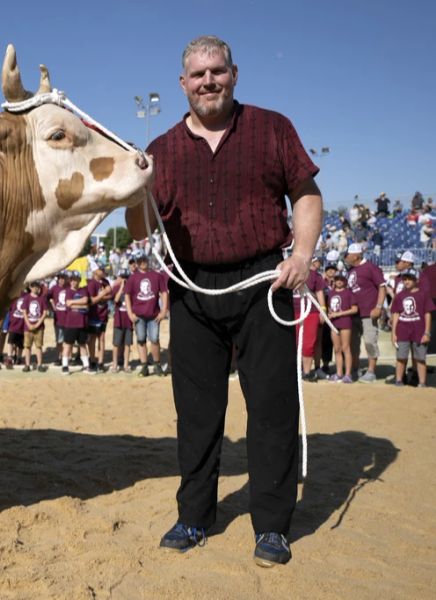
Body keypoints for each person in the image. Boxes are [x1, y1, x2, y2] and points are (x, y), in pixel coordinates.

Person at [126, 35, 323, 567]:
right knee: (195, 413)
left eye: (217, 71)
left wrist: (301, 255)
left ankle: (273, 526)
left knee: (272, 408)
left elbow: (305, 194)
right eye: (197, 74)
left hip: (264, 284)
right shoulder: (162, 149)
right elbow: (140, 225)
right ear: (182, 84)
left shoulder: (273, 127)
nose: (208, 81)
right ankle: (194, 516)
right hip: (191, 290)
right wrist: (134, 189)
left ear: (234, 74)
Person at [344, 243, 387, 382]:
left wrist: (379, 307)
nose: (346, 257)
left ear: (356, 255)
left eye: (348, 255)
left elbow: (382, 287)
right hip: (353, 313)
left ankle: (371, 371)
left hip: (369, 311)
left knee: (370, 341)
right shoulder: (350, 271)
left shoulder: (370, 268)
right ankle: (355, 369)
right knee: (353, 343)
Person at [125, 253, 168, 377]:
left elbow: (164, 292)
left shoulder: (156, 275)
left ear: (147, 260)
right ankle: (144, 366)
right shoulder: (133, 278)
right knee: (141, 340)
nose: (142, 263)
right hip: (139, 316)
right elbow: (127, 295)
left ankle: (157, 365)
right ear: (137, 263)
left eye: (144, 260)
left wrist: (163, 310)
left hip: (154, 315)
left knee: (154, 339)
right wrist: (129, 313)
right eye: (140, 261)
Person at [390, 269, 433, 387]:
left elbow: (427, 313)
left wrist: (427, 332)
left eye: (410, 279)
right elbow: (396, 314)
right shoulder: (399, 296)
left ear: (417, 280)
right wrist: (393, 333)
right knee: (401, 357)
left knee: (420, 358)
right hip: (402, 331)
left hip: (419, 331)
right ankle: (399, 380)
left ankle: (422, 382)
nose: (407, 281)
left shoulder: (423, 294)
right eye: (405, 279)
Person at [293, 259, 327, 381]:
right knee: (295, 343)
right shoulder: (292, 272)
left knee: (308, 343)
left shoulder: (315, 276)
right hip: (293, 311)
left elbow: (319, 293)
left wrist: (322, 310)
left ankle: (307, 372)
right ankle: (298, 370)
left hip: (310, 311)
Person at [326, 271, 358, 383]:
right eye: (337, 279)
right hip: (334, 323)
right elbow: (330, 308)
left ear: (345, 280)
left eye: (341, 279)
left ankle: (348, 374)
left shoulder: (349, 293)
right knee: (337, 349)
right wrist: (330, 313)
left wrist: (339, 314)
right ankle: (339, 373)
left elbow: (354, 309)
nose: (339, 281)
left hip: (345, 323)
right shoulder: (330, 293)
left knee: (345, 348)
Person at [61, 273, 91, 375]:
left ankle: (86, 366)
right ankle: (65, 366)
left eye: (76, 280)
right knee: (68, 345)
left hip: (82, 323)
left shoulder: (83, 290)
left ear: (79, 280)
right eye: (72, 280)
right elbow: (68, 305)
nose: (74, 282)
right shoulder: (68, 291)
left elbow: (86, 302)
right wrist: (81, 304)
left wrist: (74, 303)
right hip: (71, 323)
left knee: (83, 345)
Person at [85, 268, 113, 373]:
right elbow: (92, 301)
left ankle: (100, 362)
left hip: (103, 314)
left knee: (101, 338)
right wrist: (104, 293)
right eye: (100, 270)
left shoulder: (106, 282)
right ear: (95, 272)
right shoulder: (92, 284)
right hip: (93, 315)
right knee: (92, 339)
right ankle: (92, 360)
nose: (102, 272)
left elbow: (111, 295)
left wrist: (104, 296)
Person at [21, 281, 49, 373]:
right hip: (27, 327)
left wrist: (37, 324)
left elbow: (45, 312)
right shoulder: (26, 298)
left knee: (38, 346)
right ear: (30, 287)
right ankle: (27, 364)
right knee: (27, 346)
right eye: (33, 286)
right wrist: (28, 324)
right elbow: (24, 312)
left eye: (37, 286)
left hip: (39, 327)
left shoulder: (41, 299)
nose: (35, 288)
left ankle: (40, 364)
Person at [110, 271, 133, 372]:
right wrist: (121, 287)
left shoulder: (131, 289)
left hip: (128, 320)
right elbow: (116, 300)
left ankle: (126, 365)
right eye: (122, 277)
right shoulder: (116, 288)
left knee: (127, 344)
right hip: (118, 320)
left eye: (126, 277)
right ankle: (115, 364)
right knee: (116, 343)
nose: (125, 279)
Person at [48, 272, 70, 366]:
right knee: (59, 340)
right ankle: (59, 357)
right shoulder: (54, 288)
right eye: (60, 278)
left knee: (68, 340)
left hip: (69, 319)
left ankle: (68, 357)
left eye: (63, 278)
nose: (62, 280)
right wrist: (51, 306)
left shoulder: (69, 288)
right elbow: (46, 298)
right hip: (58, 319)